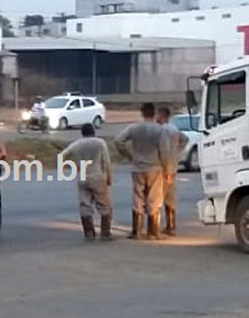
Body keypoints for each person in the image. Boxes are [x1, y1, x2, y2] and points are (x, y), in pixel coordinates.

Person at [115, 102, 168, 240]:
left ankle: (137, 231)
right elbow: (165, 150)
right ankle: (152, 232)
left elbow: (118, 141)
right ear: (154, 113)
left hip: (138, 166)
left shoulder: (134, 127)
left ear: (142, 113)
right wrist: (166, 167)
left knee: (138, 197)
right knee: (154, 198)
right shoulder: (159, 130)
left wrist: (128, 155)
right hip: (154, 167)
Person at [61, 124, 114, 240]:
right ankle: (105, 233)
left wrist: (73, 166)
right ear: (93, 132)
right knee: (104, 205)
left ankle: (89, 232)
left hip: (83, 177)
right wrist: (109, 177)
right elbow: (106, 162)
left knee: (85, 204)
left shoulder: (77, 144)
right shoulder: (100, 143)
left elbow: (62, 155)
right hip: (97, 176)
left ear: (82, 133)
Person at [156, 106, 190, 236]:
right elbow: (185, 139)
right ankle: (171, 225)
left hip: (165, 168)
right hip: (173, 166)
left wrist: (165, 167)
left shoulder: (163, 130)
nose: (156, 118)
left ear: (162, 116)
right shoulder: (174, 128)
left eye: (158, 115)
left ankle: (162, 226)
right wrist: (177, 152)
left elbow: (164, 150)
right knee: (171, 197)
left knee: (161, 197)